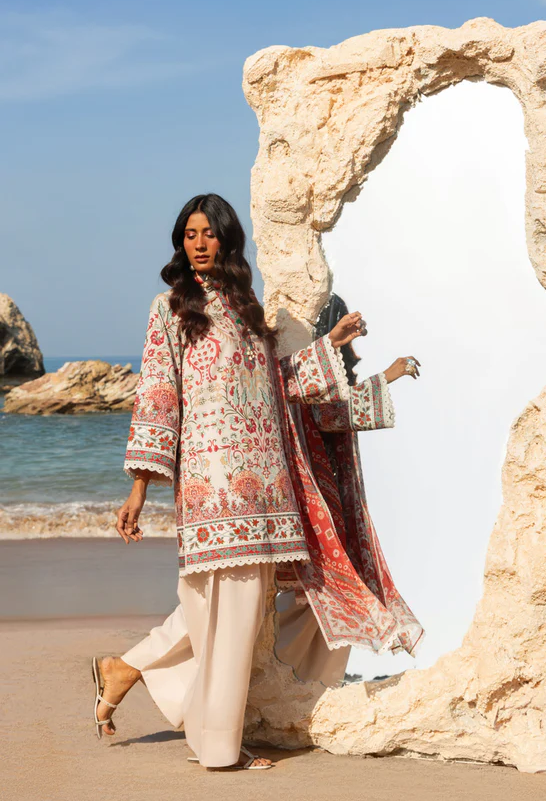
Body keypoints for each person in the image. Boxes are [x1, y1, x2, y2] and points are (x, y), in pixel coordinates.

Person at [92, 193, 424, 772]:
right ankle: (218, 747)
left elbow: (279, 385)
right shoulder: (170, 308)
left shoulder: (248, 312)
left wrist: (335, 347)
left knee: (229, 619)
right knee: (221, 618)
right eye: (189, 234)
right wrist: (140, 487)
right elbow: (158, 395)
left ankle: (141, 683)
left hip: (268, 490)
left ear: (227, 239)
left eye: (208, 233)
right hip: (212, 487)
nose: (198, 243)